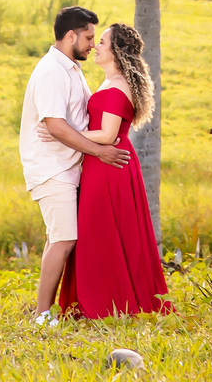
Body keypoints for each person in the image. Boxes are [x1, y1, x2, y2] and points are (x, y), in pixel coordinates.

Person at [18, 3, 130, 324]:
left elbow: (74, 121)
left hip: (68, 167)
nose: (93, 44)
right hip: (53, 169)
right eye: (89, 37)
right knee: (65, 239)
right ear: (71, 35)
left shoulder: (70, 67)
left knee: (60, 237)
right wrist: (99, 152)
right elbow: (55, 126)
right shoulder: (53, 72)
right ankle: (41, 316)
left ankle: (47, 309)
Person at [57, 22, 172, 319]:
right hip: (103, 163)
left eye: (103, 42)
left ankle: (107, 302)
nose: (96, 46)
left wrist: (63, 132)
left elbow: (108, 135)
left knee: (101, 232)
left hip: (109, 164)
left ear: (117, 51)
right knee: (99, 232)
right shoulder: (111, 82)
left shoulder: (119, 85)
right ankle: (96, 298)